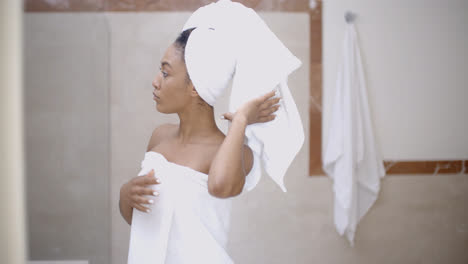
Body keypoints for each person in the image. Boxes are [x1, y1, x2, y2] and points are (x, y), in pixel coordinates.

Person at [119, 28, 282, 263]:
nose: (155, 82)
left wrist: (241, 120)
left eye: (165, 73)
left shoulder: (236, 153)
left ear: (195, 86)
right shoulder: (159, 137)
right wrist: (126, 196)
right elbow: (146, 224)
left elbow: (220, 187)